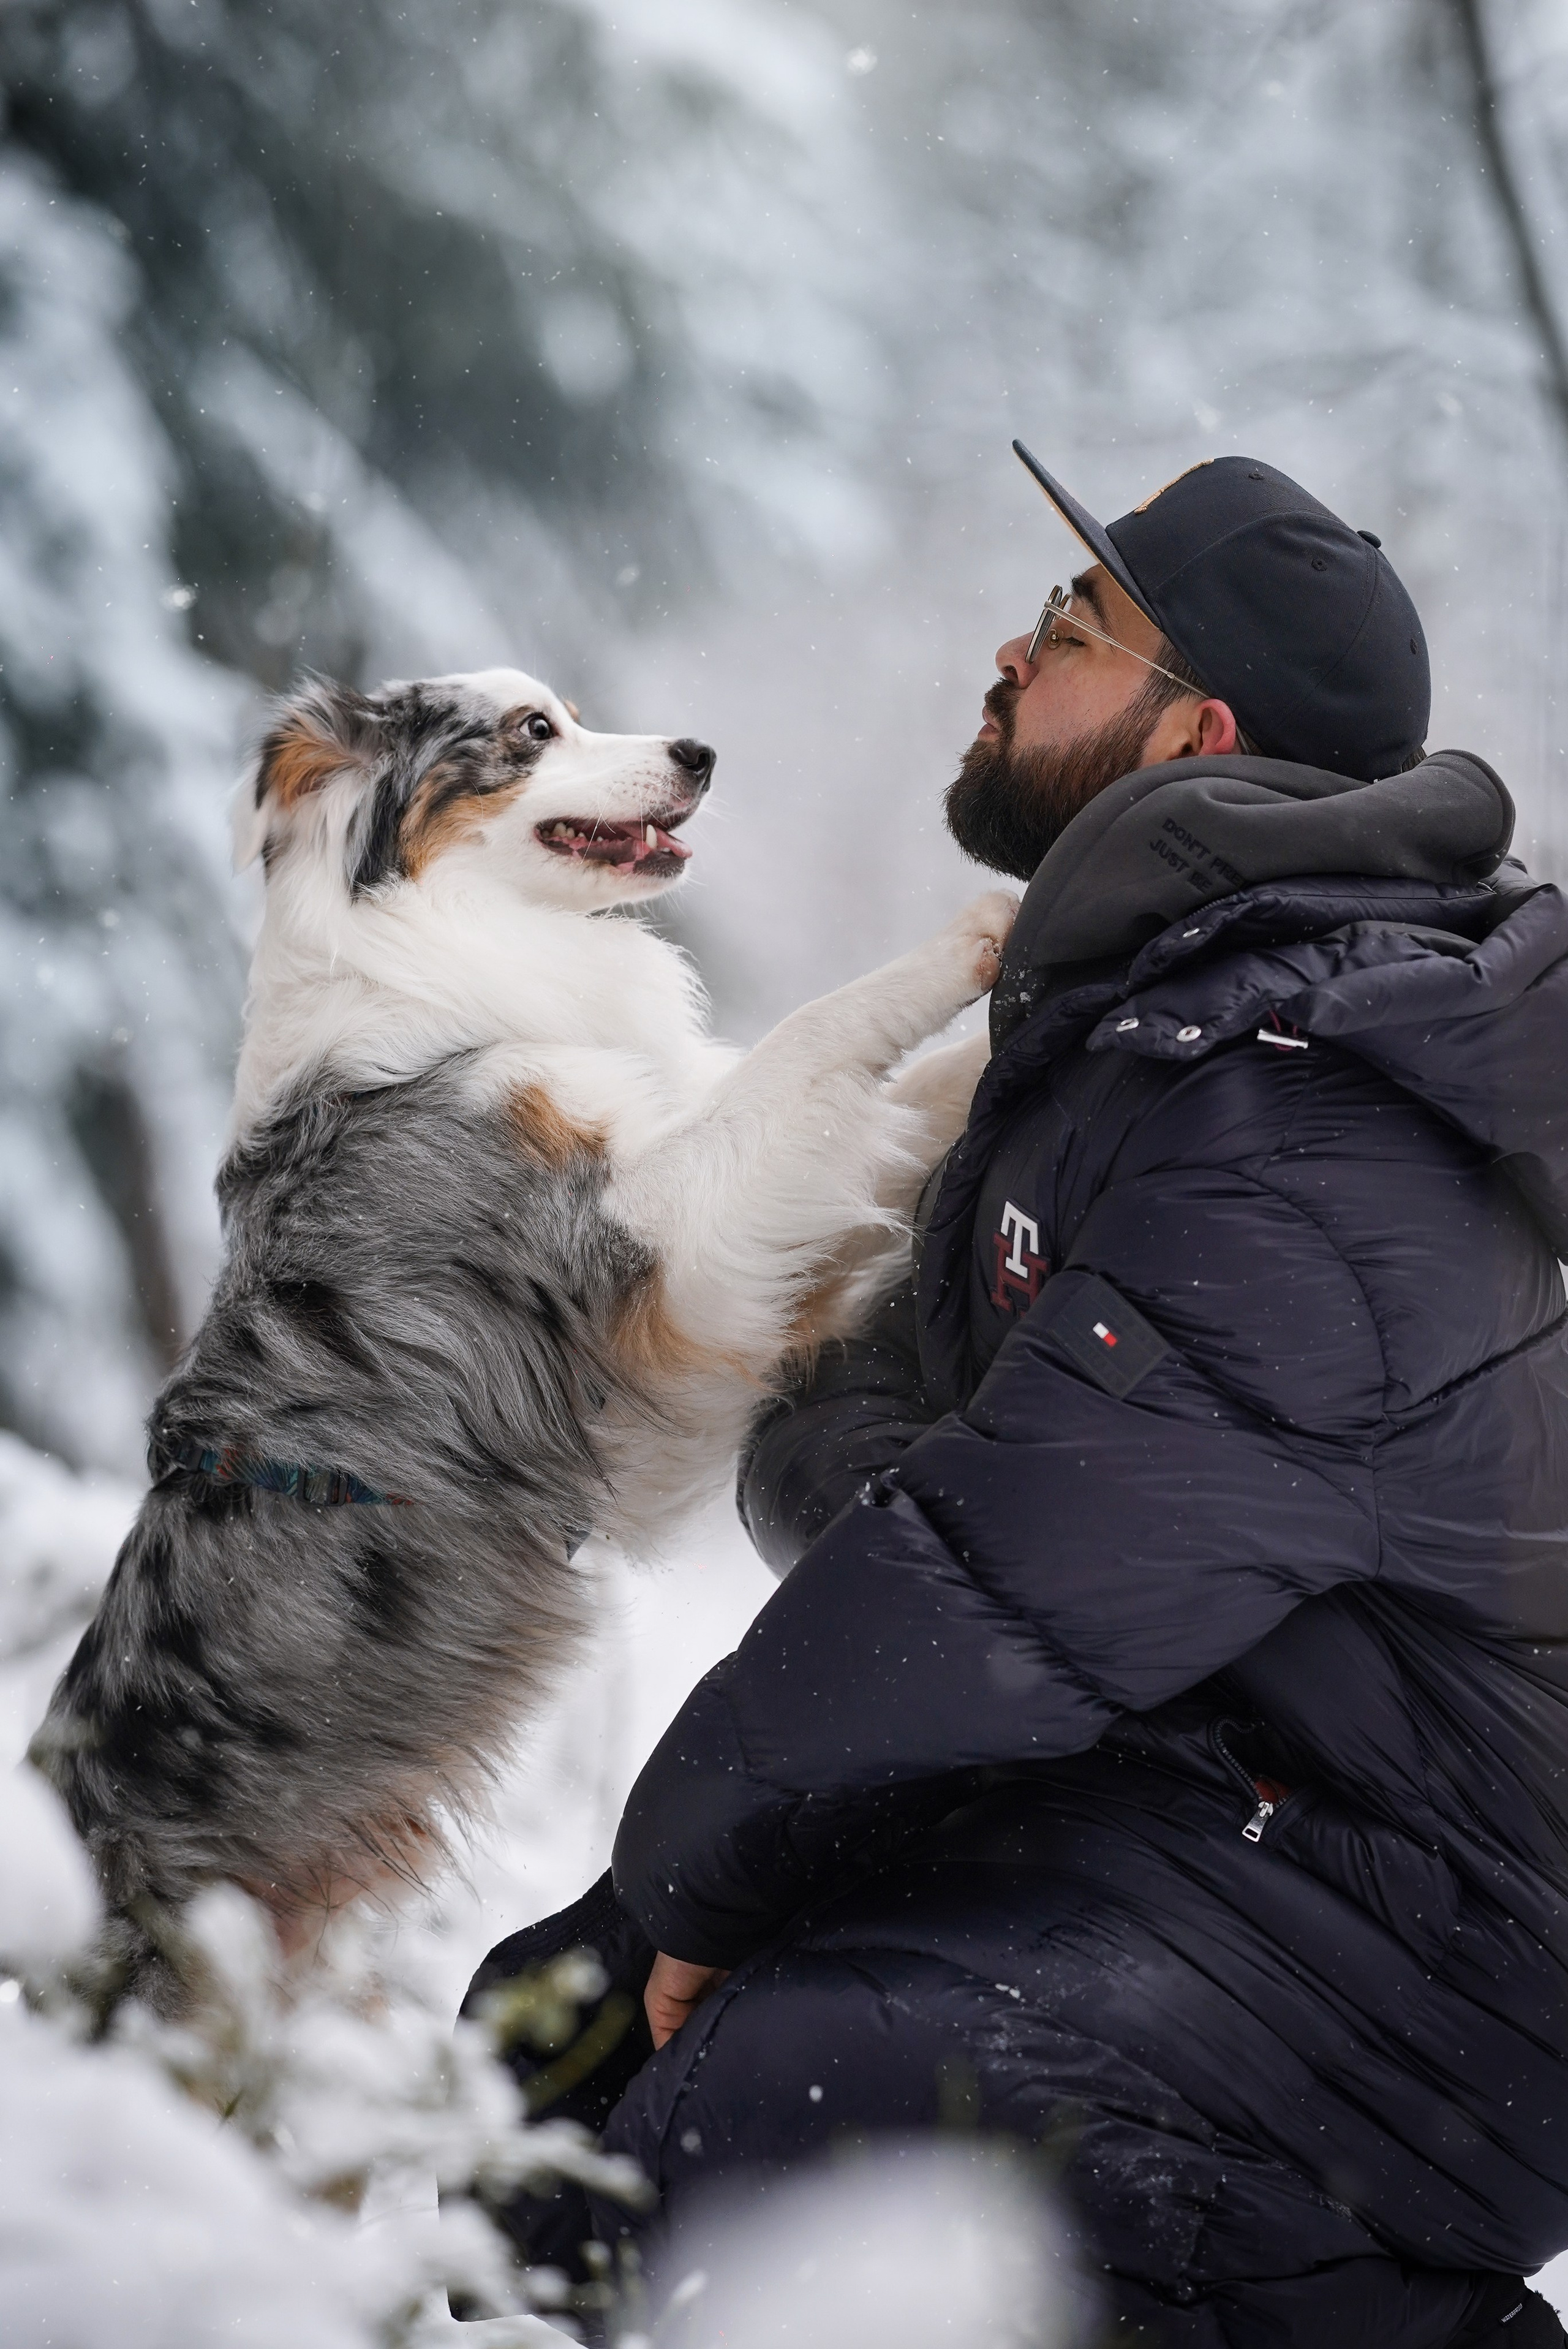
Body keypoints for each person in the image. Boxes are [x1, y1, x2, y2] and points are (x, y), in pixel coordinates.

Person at [466, 451, 1568, 2346]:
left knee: (801, 2106)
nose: (1012, 643)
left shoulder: (1303, 1116)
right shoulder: (1152, 1030)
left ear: (1195, 727)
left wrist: (690, 1886)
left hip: (1454, 1940)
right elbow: (932, 1477)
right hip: (1225, 1805)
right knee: (543, 2064)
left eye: (1074, 627)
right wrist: (674, 1900)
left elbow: (986, 1581)